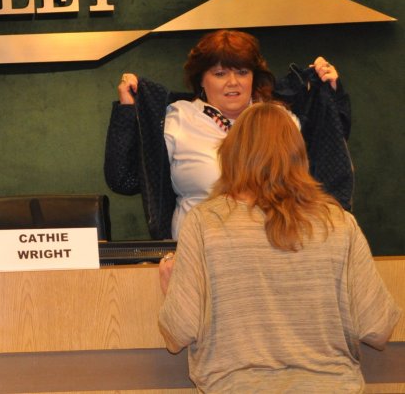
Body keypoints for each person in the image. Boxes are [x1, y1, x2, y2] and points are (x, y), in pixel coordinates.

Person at [157, 103, 400, 391]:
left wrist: (172, 290)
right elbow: (378, 328)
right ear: (298, 156)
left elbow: (179, 333)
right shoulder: (338, 224)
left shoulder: (205, 223)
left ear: (231, 155)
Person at [103, 29, 352, 239]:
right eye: (220, 73)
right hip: (196, 259)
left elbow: (328, 158)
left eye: (242, 72)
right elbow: (124, 179)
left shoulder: (282, 120)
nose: (233, 82)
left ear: (254, 77)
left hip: (276, 255)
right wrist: (128, 110)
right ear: (201, 80)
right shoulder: (176, 119)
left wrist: (331, 96)